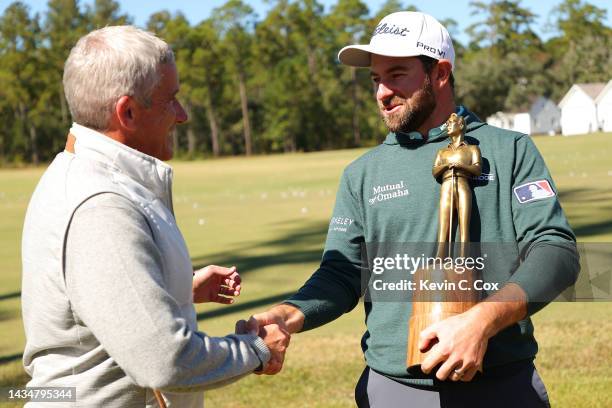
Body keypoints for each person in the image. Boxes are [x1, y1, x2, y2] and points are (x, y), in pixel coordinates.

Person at [238, 11, 579, 407]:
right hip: (394, 391)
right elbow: (343, 273)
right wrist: (289, 314)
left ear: (441, 73)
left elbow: (556, 251)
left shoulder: (511, 151)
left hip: (503, 386)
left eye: (396, 75)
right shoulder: (361, 174)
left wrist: (481, 322)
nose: (382, 92)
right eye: (375, 79)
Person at [21, 25, 289, 408]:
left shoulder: (78, 172)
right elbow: (165, 360)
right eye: (171, 100)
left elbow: (97, 302)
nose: (182, 116)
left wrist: (178, 288)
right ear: (127, 112)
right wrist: (258, 349)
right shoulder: (101, 205)